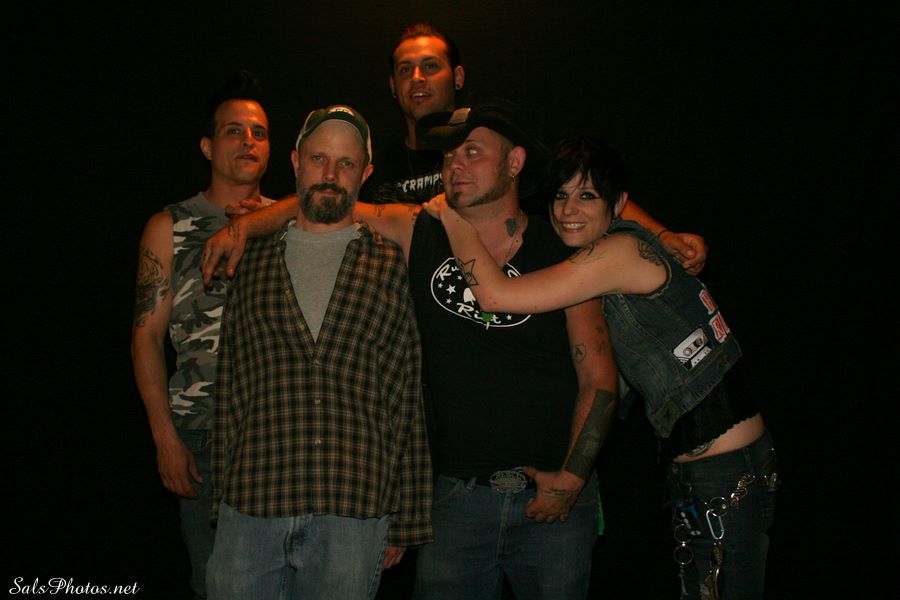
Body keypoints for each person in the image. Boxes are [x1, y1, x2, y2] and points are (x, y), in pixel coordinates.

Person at [200, 101, 707, 600]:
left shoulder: (560, 245)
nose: (454, 165)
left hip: (550, 499)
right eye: (447, 156)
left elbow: (597, 374)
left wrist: (572, 478)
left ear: (514, 162)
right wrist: (242, 226)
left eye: (472, 152)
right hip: (454, 501)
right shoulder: (418, 228)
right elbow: (330, 197)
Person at [422, 136, 780, 600]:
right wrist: (667, 234)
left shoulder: (618, 253)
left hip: (726, 469)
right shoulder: (625, 247)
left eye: (587, 196)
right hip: (708, 466)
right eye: (560, 195)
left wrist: (452, 216)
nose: (568, 210)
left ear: (616, 204)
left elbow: (493, 296)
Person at [204, 105, 433, 600]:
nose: (330, 174)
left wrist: (407, 518)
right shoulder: (252, 261)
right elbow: (231, 387)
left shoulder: (389, 265)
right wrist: (220, 497)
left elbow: (406, 393)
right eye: (318, 158)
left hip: (353, 506)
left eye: (346, 163)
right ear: (295, 162)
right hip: (254, 498)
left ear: (365, 174)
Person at [130, 70, 271, 600]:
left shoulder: (288, 221)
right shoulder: (170, 226)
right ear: (208, 147)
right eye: (235, 131)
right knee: (219, 586)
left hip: (280, 436)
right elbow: (146, 338)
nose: (249, 141)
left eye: (259, 132)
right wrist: (165, 439)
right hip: (203, 437)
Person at [361, 22, 464, 204]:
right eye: (405, 69)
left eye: (430, 66)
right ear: (393, 86)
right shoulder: (373, 171)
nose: (416, 77)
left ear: (458, 77)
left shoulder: (481, 155)